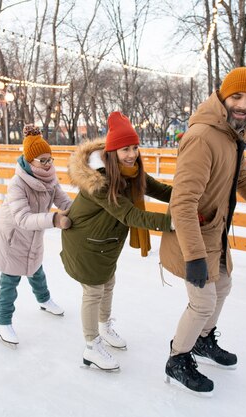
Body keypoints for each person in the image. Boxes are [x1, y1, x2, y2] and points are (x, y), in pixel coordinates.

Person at [160, 67, 246, 395]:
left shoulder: (232, 133)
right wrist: (195, 258)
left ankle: (202, 341)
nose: (243, 104)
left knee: (224, 285)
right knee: (202, 302)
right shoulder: (203, 137)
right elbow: (182, 203)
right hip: (193, 235)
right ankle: (177, 358)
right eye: (237, 96)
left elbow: (241, 178)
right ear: (222, 96)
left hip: (215, 232)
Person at [61, 111, 173, 372]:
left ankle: (104, 327)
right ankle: (91, 347)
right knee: (93, 291)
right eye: (125, 149)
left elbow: (159, 190)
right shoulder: (99, 181)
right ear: (112, 152)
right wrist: (173, 223)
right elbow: (130, 214)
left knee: (108, 283)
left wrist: (187, 198)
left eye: (134, 147)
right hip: (84, 243)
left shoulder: (130, 172)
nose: (132, 153)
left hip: (105, 242)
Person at [0, 124, 73, 349]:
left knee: (36, 268)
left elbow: (65, 203)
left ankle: (44, 299)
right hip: (13, 237)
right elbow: (23, 218)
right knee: (10, 280)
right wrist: (54, 220)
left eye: (50, 159)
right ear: (30, 161)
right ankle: (3, 322)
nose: (48, 165)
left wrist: (85, 209)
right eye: (42, 161)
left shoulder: (50, 180)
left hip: (33, 235)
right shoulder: (17, 184)